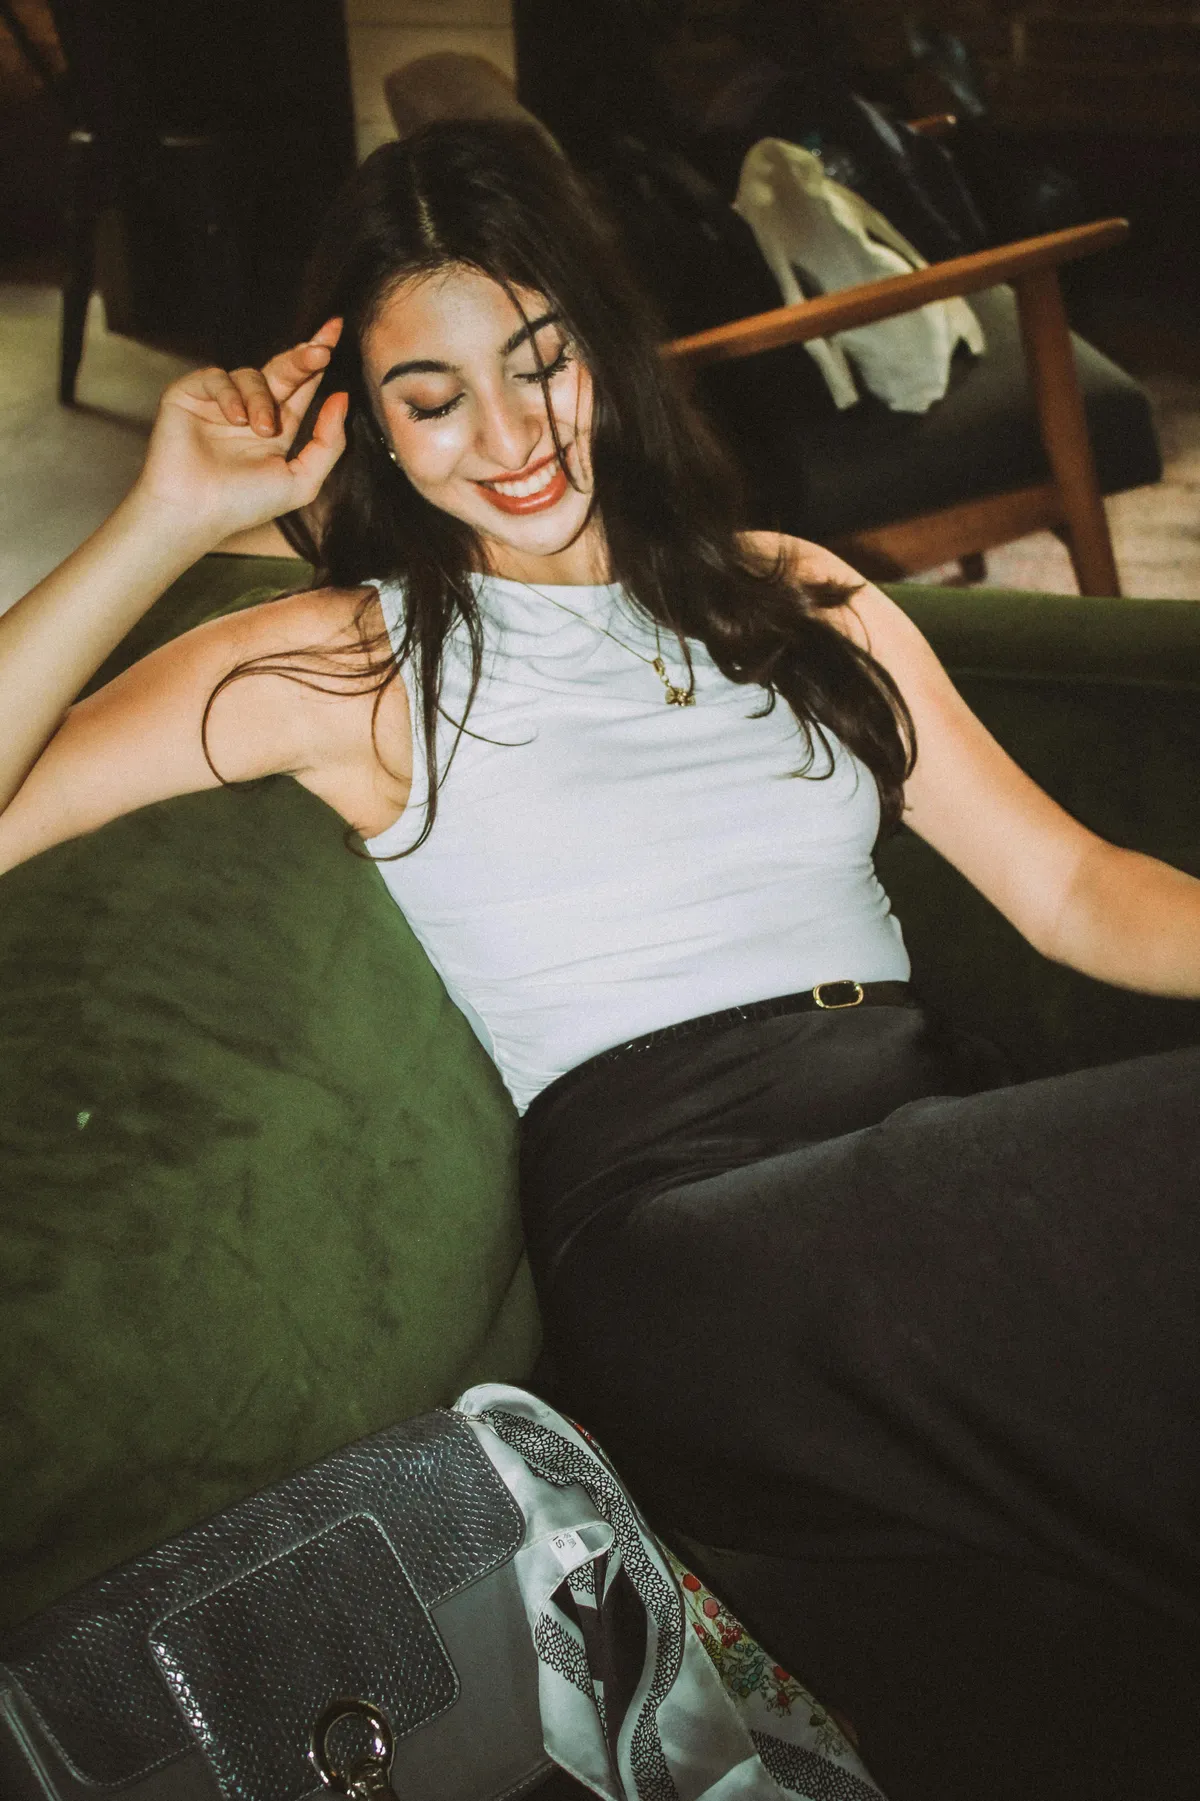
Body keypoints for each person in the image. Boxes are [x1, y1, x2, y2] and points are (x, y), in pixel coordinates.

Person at [2, 122, 1198, 1800]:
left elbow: (1071, 887)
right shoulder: (353, 661)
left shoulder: (796, 597)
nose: (508, 439)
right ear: (370, 426)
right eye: (433, 399)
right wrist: (164, 516)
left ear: (604, 348)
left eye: (540, 361)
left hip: (913, 1158)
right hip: (690, 1233)